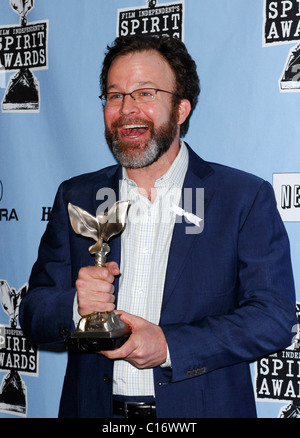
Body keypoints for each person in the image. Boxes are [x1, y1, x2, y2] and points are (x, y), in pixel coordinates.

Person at [20, 35, 296, 418]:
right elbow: (33, 314)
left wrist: (170, 345)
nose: (127, 110)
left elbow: (274, 317)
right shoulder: (77, 196)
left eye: (145, 93)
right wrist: (75, 307)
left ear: (181, 109)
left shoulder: (242, 198)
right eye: (115, 96)